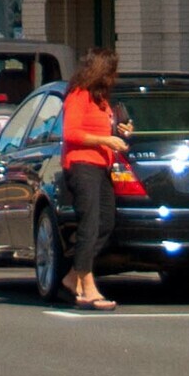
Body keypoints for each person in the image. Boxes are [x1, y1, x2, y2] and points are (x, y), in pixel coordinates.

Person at [58, 49, 130, 310]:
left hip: (101, 166)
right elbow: (71, 133)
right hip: (82, 165)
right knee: (89, 223)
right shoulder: (79, 95)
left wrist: (121, 130)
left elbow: (103, 127)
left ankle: (71, 278)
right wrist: (105, 140)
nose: (114, 77)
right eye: (112, 71)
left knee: (105, 222)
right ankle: (88, 288)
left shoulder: (101, 100)